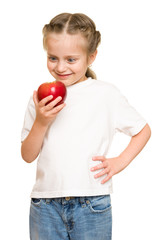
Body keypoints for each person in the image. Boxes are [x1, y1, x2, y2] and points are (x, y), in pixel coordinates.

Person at [21, 13, 151, 240]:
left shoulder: (105, 94)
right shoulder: (40, 99)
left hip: (92, 203)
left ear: (91, 57)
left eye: (71, 59)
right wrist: (41, 122)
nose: (60, 67)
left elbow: (142, 130)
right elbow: (27, 155)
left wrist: (119, 162)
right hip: (45, 206)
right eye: (53, 58)